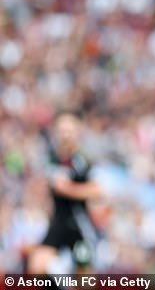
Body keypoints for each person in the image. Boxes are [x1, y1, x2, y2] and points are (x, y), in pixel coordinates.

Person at [27, 112, 103, 275]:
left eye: (69, 130)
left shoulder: (83, 161)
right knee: (36, 266)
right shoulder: (51, 159)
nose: (65, 135)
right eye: (62, 130)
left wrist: (67, 189)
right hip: (58, 224)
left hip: (78, 225)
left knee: (84, 278)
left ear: (78, 132)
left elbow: (97, 190)